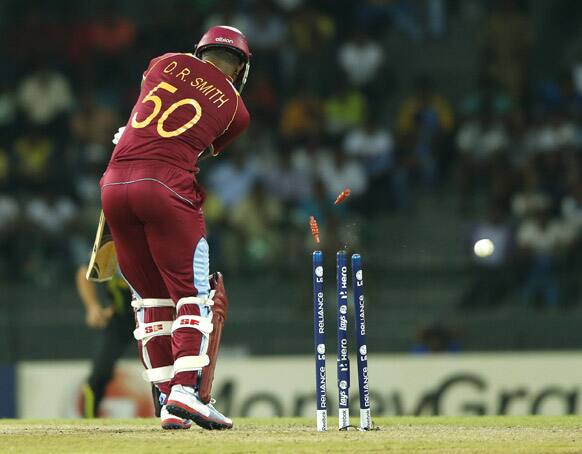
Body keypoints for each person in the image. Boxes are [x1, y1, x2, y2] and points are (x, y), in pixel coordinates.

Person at [100, 26, 251, 430]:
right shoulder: (238, 111)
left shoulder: (163, 62)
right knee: (193, 296)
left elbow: (151, 108)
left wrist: (131, 134)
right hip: (166, 187)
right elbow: (196, 140)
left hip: (114, 182)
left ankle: (169, 402)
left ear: (199, 51)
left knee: (150, 302)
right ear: (240, 69)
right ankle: (186, 390)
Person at [76, 265, 148, 418]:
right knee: (99, 374)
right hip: (119, 318)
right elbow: (84, 272)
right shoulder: (109, 247)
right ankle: (89, 423)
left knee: (162, 369)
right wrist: (92, 307)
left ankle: (170, 416)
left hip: (150, 315)